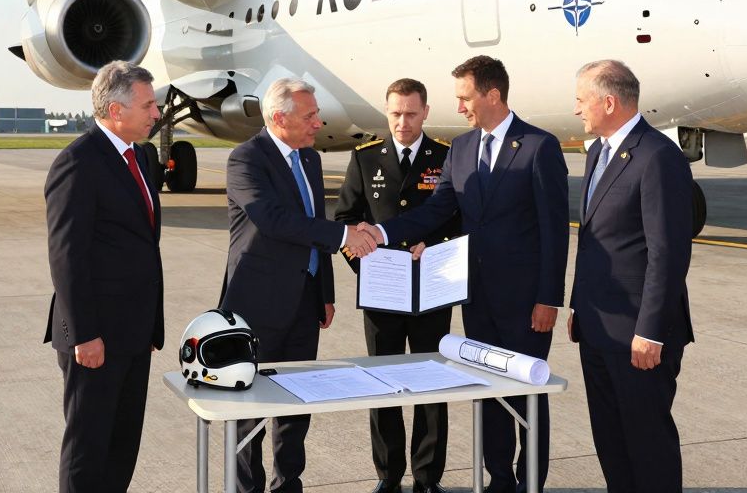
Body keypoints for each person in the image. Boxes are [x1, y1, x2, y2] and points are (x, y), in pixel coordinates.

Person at [363, 56, 569, 493]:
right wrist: (380, 231)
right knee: (488, 391)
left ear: (492, 95)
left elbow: (555, 231)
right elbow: (437, 210)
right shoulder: (461, 148)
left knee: (527, 393)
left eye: (464, 98)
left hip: (525, 301)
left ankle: (530, 481)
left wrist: (549, 298)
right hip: (475, 298)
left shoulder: (538, 146)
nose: (459, 108)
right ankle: (498, 479)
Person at [220, 77, 379, 493]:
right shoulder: (246, 159)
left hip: (304, 302)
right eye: (309, 116)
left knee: (295, 403)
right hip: (256, 305)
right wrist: (347, 238)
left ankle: (288, 484)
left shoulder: (308, 158)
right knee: (248, 408)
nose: (318, 122)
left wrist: (324, 293)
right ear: (279, 118)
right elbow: (275, 221)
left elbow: (314, 223)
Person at [569, 59, 694, 493]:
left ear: (609, 101)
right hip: (599, 330)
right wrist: (577, 308)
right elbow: (596, 241)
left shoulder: (658, 156)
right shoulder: (596, 153)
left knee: (648, 444)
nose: (577, 110)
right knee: (611, 440)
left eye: (582, 101)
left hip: (640, 337)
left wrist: (652, 331)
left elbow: (668, 253)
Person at [334, 78, 461, 493]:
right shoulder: (366, 158)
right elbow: (345, 220)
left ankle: (427, 477)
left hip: (432, 292)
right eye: (395, 113)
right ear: (385, 112)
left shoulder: (445, 156)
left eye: (410, 113)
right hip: (382, 294)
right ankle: (388, 475)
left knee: (431, 386)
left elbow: (459, 220)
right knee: (382, 385)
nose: (402, 122)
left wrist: (436, 244)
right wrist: (365, 264)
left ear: (425, 112)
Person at [43, 61, 164, 493]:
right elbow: (66, 257)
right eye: (148, 105)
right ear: (116, 110)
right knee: (87, 450)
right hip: (94, 337)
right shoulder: (77, 162)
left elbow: (143, 245)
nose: (157, 114)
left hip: (133, 333)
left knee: (122, 446)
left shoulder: (143, 157)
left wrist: (152, 324)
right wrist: (84, 335)